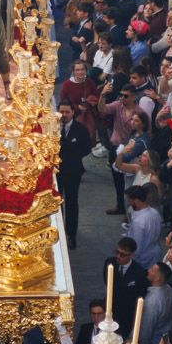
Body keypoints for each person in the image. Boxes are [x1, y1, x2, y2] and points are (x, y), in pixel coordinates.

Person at [57, 101, 95, 250]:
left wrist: (72, 155)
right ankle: (58, 232)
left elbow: (86, 148)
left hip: (73, 172)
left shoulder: (80, 129)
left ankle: (71, 234)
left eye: (67, 112)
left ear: (73, 112)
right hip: (57, 172)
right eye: (61, 112)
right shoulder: (53, 128)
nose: (64, 115)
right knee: (57, 203)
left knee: (72, 203)